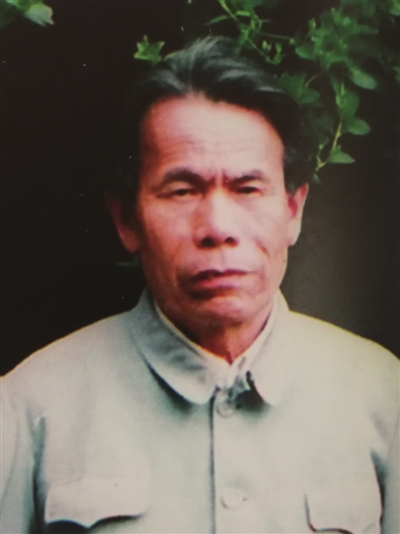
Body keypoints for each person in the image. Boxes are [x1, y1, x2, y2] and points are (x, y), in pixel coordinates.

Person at [1, 37, 399, 534]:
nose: (217, 227)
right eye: (183, 190)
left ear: (293, 210)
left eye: (247, 188)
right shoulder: (30, 406)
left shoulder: (382, 394)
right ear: (126, 219)